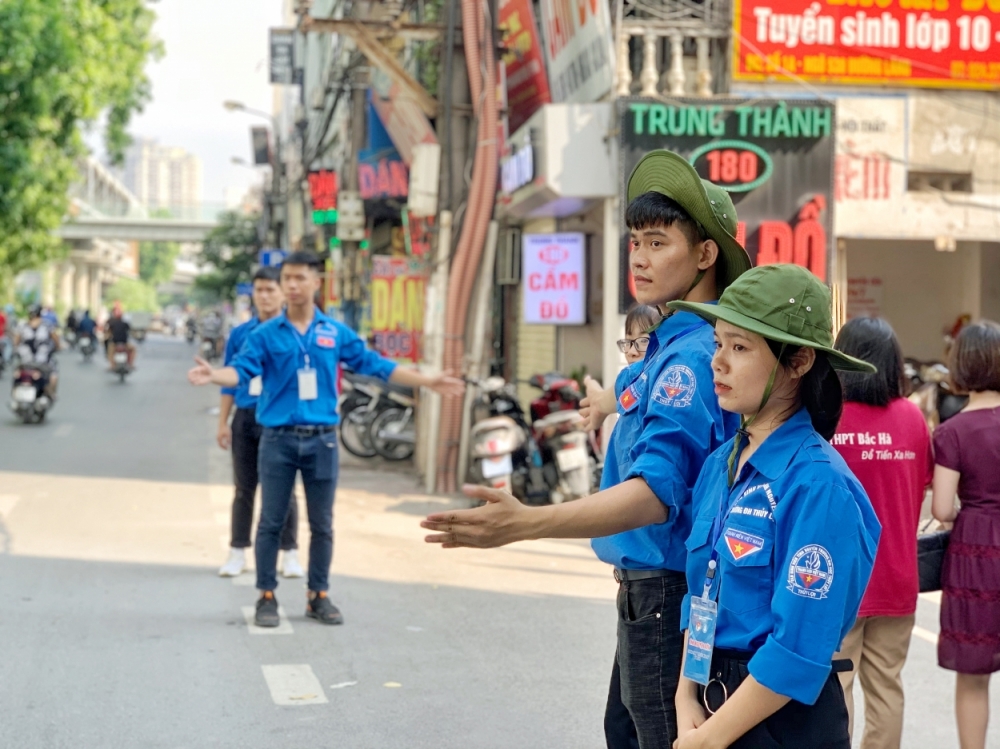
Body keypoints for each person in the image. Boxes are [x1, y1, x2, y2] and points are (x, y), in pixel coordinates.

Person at [423, 149, 752, 749]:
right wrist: (604, 400)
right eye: (635, 242)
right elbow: (628, 395)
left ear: (706, 254)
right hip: (652, 589)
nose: (640, 258)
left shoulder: (689, 359)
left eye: (658, 242)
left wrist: (528, 523)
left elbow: (654, 494)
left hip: (666, 588)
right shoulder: (667, 348)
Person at [663, 264, 880, 749]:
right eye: (718, 343)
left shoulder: (820, 486)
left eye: (740, 347)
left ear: (800, 361)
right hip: (709, 705)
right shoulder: (723, 463)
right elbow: (704, 592)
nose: (718, 362)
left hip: (781, 722)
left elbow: (797, 646)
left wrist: (711, 737)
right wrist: (686, 696)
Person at [188, 251, 465, 628]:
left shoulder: (333, 333)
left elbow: (377, 365)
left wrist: (428, 380)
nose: (293, 285)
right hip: (278, 441)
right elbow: (241, 371)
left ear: (317, 282)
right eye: (288, 278)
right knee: (271, 520)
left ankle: (318, 594)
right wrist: (214, 376)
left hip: (322, 441)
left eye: (300, 278)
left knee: (323, 524)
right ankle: (265, 595)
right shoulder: (265, 335)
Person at [825, 317, 933, 748]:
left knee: (837, 689)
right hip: (897, 576)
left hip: (837, 580)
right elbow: (921, 485)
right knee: (887, 688)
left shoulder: (825, 418)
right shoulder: (913, 420)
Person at [931, 320, 1000, 749]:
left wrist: (966, 511)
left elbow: (941, 508)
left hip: (976, 551)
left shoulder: (952, 432)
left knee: (973, 676)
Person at [217, 267, 302, 579]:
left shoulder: (295, 332)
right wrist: (223, 423)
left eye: (270, 290)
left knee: (283, 490)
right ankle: (237, 550)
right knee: (244, 487)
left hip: (279, 420)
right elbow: (229, 380)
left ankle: (289, 552)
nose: (265, 296)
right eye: (259, 290)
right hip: (247, 417)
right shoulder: (241, 334)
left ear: (282, 293)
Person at [15, 305, 60, 398]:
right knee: (53, 373)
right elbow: (56, 339)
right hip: (42, 361)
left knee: (17, 372)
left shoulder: (22, 326)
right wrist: (58, 347)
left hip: (25, 361)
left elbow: (16, 341)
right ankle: (51, 394)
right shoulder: (47, 325)